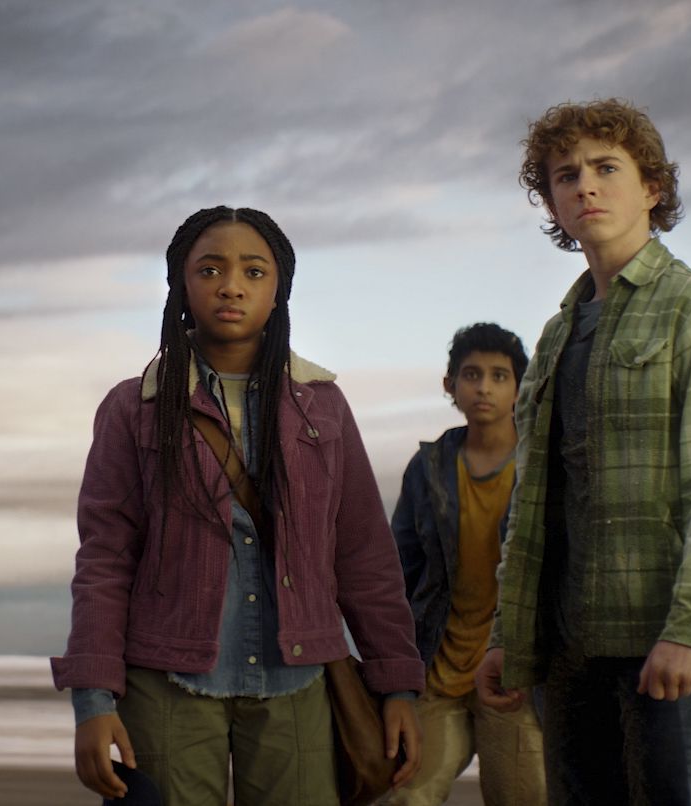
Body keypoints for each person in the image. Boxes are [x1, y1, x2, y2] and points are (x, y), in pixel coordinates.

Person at [51, 206, 424, 806]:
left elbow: (364, 557)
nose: (231, 285)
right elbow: (104, 559)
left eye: (254, 272)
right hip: (166, 683)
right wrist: (92, 699)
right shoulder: (133, 407)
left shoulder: (322, 406)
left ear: (279, 292)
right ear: (181, 285)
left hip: (298, 680)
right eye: (211, 269)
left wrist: (398, 685)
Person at [474, 99, 691, 805]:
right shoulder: (555, 336)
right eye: (564, 174)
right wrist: (507, 637)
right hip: (568, 646)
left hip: (664, 632)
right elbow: (532, 504)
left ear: (652, 188)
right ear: (551, 200)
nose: (585, 186)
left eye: (607, 167)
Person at [386, 323, 546, 806]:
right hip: (439, 671)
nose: (484, 387)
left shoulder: (539, 464)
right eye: (472, 374)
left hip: (513, 675)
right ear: (450, 384)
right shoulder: (430, 467)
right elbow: (399, 572)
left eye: (500, 376)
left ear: (520, 387)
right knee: (405, 797)